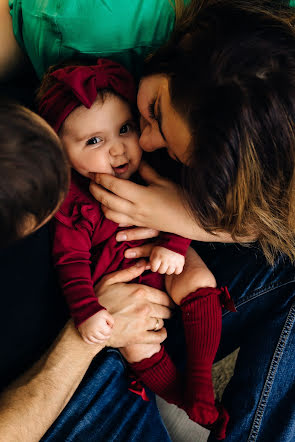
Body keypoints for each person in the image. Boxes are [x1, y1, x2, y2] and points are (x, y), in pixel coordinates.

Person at [0, 0, 294, 441]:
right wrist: (90, 333)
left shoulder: (50, 114)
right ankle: (188, 393)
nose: (144, 141)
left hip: (148, 283)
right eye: (151, 115)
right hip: (70, 378)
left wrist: (190, 221)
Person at [37, 57, 231, 438]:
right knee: (138, 348)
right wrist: (88, 310)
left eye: (125, 128)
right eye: (94, 141)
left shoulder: (151, 166)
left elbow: (184, 201)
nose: (118, 150)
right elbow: (70, 261)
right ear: (61, 152)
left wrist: (174, 244)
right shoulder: (72, 204)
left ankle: (201, 379)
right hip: (119, 289)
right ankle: (183, 398)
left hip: (165, 259)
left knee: (198, 277)